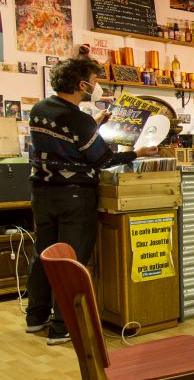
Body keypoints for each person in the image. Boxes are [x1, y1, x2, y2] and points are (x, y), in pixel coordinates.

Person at [26, 57, 158, 345]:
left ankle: (35, 317)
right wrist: (139, 153)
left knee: (43, 255)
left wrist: (94, 124)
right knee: (71, 261)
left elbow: (65, 143)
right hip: (74, 196)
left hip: (42, 193)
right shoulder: (78, 118)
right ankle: (62, 327)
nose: (96, 87)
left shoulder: (40, 109)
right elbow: (103, 159)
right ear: (80, 84)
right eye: (95, 81)